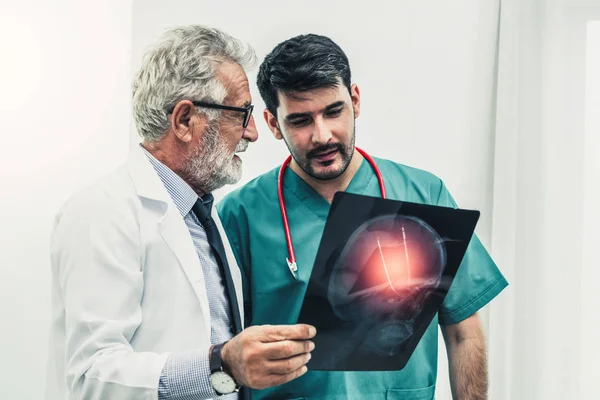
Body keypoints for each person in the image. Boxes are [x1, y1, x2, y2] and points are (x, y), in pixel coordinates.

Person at [217, 33, 508, 399]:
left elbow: (463, 330)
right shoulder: (239, 215)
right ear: (274, 124)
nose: (321, 136)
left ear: (355, 101)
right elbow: (221, 345)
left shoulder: (423, 194)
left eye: (333, 111)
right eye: (300, 120)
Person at [46, 25, 315, 400]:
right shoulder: (102, 212)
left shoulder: (202, 214)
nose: (252, 133)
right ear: (185, 121)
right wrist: (222, 365)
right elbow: (92, 374)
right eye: (242, 113)